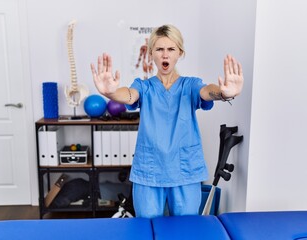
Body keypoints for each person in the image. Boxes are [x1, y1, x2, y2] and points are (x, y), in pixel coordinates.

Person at [91, 24, 243, 218]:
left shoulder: (190, 85)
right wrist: (111, 92)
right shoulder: (144, 86)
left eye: (171, 49)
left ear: (179, 52)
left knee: (185, 231)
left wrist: (222, 93)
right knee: (147, 229)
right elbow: (129, 95)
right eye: (159, 49)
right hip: (149, 171)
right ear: (151, 54)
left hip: (184, 171)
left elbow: (207, 92)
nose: (165, 55)